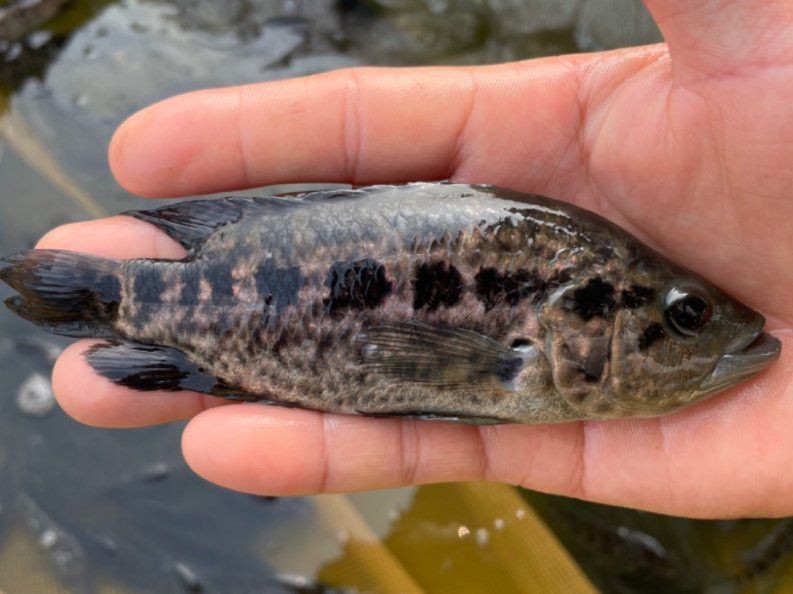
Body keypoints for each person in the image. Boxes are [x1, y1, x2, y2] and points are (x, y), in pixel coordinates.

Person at [39, 0, 792, 518]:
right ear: (582, 313)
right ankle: (108, 303)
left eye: (687, 316)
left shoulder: (574, 274)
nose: (713, 331)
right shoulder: (555, 292)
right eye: (684, 316)